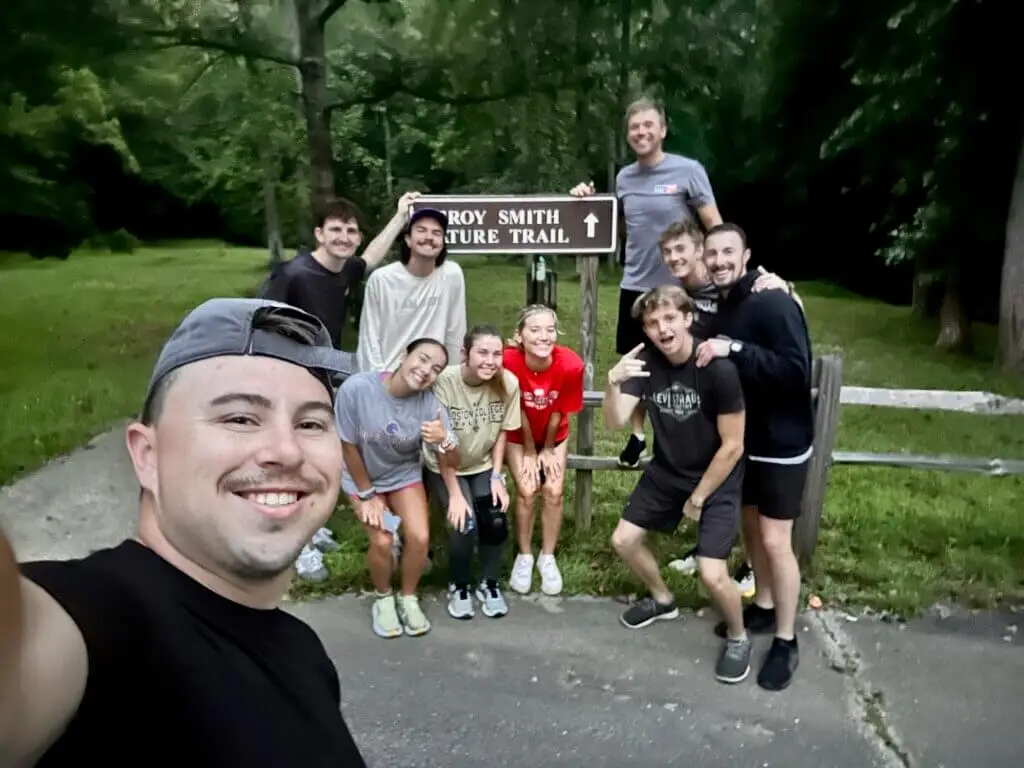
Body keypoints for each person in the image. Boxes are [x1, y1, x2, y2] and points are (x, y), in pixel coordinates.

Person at [0, 298, 368, 766]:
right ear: (146, 456)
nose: (286, 450)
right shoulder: (100, 620)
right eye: (239, 417)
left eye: (312, 423)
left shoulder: (303, 652)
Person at [260, 192, 421, 580]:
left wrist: (400, 217)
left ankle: (312, 529)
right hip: (289, 380)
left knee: (320, 456)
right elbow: (262, 324)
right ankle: (295, 547)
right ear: (319, 233)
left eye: (351, 230)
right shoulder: (293, 274)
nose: (344, 236)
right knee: (291, 460)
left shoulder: (343, 271)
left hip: (325, 375)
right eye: (336, 229)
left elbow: (370, 259)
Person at [603, 285, 749, 683]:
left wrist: (699, 497)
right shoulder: (646, 363)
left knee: (712, 573)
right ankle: (663, 599)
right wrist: (612, 381)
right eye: (652, 323)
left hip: (715, 477)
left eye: (669, 318)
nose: (661, 328)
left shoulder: (717, 369)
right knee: (623, 540)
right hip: (667, 471)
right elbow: (615, 422)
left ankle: (738, 636)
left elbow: (733, 446)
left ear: (687, 318)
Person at [570, 96, 722, 472]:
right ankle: (638, 435)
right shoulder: (624, 178)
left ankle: (689, 436)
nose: (641, 132)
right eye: (634, 127)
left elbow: (714, 225)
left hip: (679, 288)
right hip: (635, 284)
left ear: (663, 130)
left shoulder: (688, 171)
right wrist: (586, 202)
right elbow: (617, 224)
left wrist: (722, 270)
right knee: (637, 362)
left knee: (683, 363)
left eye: (648, 125)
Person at [656, 218, 803, 596]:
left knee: (773, 534)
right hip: (732, 416)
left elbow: (786, 353)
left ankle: (766, 592)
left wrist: (787, 293)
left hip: (775, 429)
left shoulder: (754, 290)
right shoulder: (690, 296)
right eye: (668, 252)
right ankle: (753, 583)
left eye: (682, 250)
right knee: (748, 513)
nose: (675, 258)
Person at [696, 223, 814, 692]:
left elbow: (794, 370)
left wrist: (735, 349)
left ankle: (786, 640)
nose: (720, 260)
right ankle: (764, 606)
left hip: (783, 442)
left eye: (729, 252)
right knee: (749, 526)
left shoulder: (773, 301)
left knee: (774, 538)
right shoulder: (723, 304)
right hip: (743, 441)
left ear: (747, 256)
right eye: (714, 254)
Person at [336, 338, 458, 639]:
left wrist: (443, 439)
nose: (426, 370)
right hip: (360, 476)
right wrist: (368, 496)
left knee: (419, 535)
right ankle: (383, 598)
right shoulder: (358, 389)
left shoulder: (430, 405)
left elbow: (454, 459)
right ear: (405, 355)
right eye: (422, 358)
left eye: (436, 368)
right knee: (382, 540)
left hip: (402, 475)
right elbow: (348, 447)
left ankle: (408, 597)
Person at [423, 325, 522, 620]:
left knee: (495, 518)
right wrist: (454, 495)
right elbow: (442, 443)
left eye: (496, 354)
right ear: (465, 353)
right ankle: (460, 583)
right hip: (444, 465)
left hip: (481, 464)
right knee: (464, 523)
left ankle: (489, 583)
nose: (490, 361)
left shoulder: (507, 383)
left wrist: (496, 476)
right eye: (482, 353)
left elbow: (503, 431)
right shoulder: (444, 383)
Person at [502, 305, 585, 596]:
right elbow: (516, 407)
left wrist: (547, 448)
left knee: (554, 490)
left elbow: (560, 410)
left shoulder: (570, 364)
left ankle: (547, 556)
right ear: (519, 336)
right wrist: (528, 449)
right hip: (517, 431)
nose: (543, 336)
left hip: (554, 432)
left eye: (550, 330)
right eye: (535, 330)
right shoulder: (508, 361)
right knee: (526, 489)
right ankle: (524, 554)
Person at [356, 207, 467, 374]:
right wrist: (380, 382)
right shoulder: (382, 280)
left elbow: (455, 333)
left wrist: (452, 379)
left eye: (437, 233)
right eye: (421, 230)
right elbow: (369, 338)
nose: (429, 237)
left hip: (433, 379)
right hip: (389, 377)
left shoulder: (451, 275)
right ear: (408, 239)